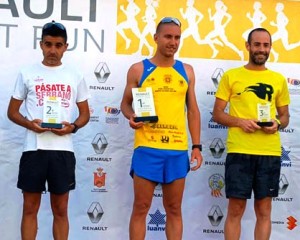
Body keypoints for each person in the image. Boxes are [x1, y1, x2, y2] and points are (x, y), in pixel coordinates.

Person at [121, 17, 203, 240]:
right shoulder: (139, 69)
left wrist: (196, 146)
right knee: (141, 207)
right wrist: (132, 117)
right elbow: (125, 104)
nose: (173, 42)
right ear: (156, 38)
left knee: (174, 209)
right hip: (147, 147)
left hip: (177, 149)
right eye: (168, 36)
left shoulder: (187, 71)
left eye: (177, 37)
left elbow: (193, 111)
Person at [7, 21, 90, 240]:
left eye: (58, 45)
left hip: (63, 151)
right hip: (34, 148)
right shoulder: (27, 73)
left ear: (66, 46)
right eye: (48, 44)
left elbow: (85, 114)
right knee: (30, 208)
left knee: (61, 210)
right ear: (41, 44)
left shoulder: (75, 75)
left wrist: (72, 127)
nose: (53, 50)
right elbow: (12, 112)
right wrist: (30, 125)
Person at [213, 28, 290, 240]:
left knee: (264, 212)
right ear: (248, 46)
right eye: (257, 44)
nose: (261, 49)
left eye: (266, 45)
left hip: (269, 153)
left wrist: (276, 124)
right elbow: (217, 114)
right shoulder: (231, 76)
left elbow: (285, 117)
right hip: (239, 152)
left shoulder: (278, 79)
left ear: (270, 48)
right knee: (235, 211)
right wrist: (240, 122)